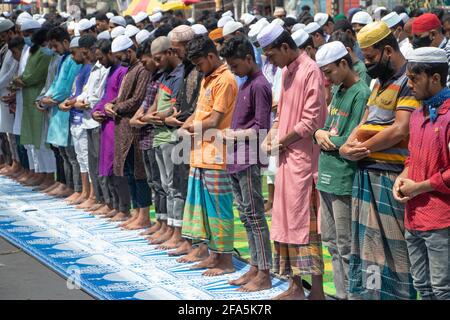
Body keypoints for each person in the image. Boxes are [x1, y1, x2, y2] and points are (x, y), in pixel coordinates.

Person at [339, 21, 419, 300]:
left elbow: (401, 129)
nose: (367, 64)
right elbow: (365, 121)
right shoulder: (378, 81)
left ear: (387, 50)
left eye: (370, 58)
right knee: (370, 250)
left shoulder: (409, 80)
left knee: (395, 254)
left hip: (389, 175)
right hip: (366, 175)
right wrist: (348, 145)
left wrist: (360, 149)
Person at [257, 23, 327, 300]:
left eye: (271, 55)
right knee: (284, 224)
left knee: (307, 229)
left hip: (304, 163)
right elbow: (280, 112)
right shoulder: (285, 71)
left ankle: (318, 291)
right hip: (286, 159)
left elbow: (311, 121)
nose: (270, 62)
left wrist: (281, 141)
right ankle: (295, 287)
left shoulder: (311, 71)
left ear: (285, 47)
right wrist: (273, 134)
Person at [314, 41, 370, 300]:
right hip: (326, 175)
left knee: (347, 247)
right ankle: (340, 294)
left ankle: (353, 296)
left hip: (344, 177)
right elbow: (328, 127)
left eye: (329, 72)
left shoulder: (361, 93)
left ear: (344, 64)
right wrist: (318, 133)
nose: (327, 79)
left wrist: (326, 137)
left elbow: (352, 138)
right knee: (332, 245)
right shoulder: (338, 90)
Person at [393, 47, 450, 300]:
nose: (410, 84)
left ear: (435, 79)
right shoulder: (417, 115)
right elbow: (412, 158)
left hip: (440, 220)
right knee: (422, 288)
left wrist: (419, 187)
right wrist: (402, 178)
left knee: (442, 290)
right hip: (413, 216)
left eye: (414, 78)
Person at [178, 35, 237, 276]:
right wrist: (185, 125)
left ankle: (226, 261)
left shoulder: (225, 80)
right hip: (200, 152)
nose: (198, 68)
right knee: (204, 210)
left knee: (219, 210)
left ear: (211, 57)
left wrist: (188, 129)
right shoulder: (208, 79)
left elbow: (214, 120)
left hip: (217, 154)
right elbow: (198, 113)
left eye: (200, 63)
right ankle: (214, 255)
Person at [220, 35, 273, 292]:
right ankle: (254, 265)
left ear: (249, 59)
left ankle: (264, 271)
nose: (233, 71)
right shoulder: (246, 83)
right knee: (246, 216)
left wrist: (235, 135)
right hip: (236, 159)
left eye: (235, 66)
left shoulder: (260, 85)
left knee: (255, 216)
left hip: (249, 160)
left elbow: (262, 129)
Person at [139, 36, 184, 245]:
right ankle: (167, 226)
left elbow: (173, 108)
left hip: (172, 136)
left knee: (175, 187)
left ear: (169, 52)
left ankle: (178, 232)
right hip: (159, 135)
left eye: (158, 59)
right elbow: (156, 106)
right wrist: (151, 115)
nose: (156, 64)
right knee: (164, 185)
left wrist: (152, 116)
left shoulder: (179, 74)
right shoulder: (165, 75)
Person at [104, 35, 151, 223]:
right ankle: (137, 212)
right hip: (123, 129)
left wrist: (115, 108)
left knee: (139, 173)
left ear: (129, 51)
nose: (118, 59)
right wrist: (111, 104)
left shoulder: (141, 70)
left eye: (120, 55)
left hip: (135, 131)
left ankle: (144, 215)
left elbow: (137, 100)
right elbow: (123, 96)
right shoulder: (129, 69)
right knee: (130, 172)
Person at [129, 38, 164, 231]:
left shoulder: (162, 77)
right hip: (145, 134)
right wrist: (137, 117)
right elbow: (144, 104)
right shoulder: (152, 76)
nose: (145, 65)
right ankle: (160, 222)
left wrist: (142, 119)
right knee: (154, 182)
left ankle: (166, 225)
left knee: (164, 185)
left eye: (145, 61)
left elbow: (154, 107)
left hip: (156, 134)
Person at [43, 28, 82, 199]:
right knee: (63, 153)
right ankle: (67, 184)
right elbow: (55, 83)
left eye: (55, 45)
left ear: (66, 43)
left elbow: (66, 87)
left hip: (66, 109)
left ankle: (76, 188)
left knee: (72, 155)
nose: (53, 49)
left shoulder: (73, 61)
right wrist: (46, 97)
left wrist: (52, 99)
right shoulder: (63, 59)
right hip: (57, 109)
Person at [91, 39, 128, 218]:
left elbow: (118, 100)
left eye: (101, 58)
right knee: (106, 167)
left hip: (116, 124)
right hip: (106, 125)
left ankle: (123, 208)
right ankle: (112, 203)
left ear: (111, 54)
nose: (99, 62)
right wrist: (95, 112)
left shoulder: (122, 72)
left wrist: (105, 111)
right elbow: (104, 97)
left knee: (117, 167)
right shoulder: (110, 71)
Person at [72, 34, 109, 211]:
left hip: (95, 120)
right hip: (87, 119)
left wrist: (83, 103)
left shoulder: (103, 69)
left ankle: (102, 199)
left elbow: (98, 97)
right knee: (91, 163)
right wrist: (77, 101)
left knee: (100, 164)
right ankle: (96, 197)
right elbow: (86, 91)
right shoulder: (94, 68)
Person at [13, 27, 53, 188]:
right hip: (29, 100)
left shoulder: (45, 54)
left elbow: (34, 77)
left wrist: (21, 80)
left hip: (38, 99)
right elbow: (25, 75)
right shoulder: (34, 53)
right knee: (33, 141)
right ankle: (39, 173)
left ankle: (49, 176)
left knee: (42, 141)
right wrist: (19, 80)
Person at [411, 13, 450, 88]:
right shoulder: (427, 54)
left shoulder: (447, 54)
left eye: (418, 36)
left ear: (433, 34)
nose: (414, 42)